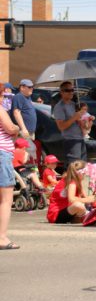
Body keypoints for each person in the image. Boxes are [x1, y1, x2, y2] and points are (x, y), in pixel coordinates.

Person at [46, 160, 96, 224]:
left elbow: (83, 196)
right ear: (80, 173)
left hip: (65, 211)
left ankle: (82, 217)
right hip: (56, 215)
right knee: (78, 205)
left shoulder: (76, 181)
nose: (85, 175)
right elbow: (72, 199)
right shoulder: (72, 182)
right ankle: (88, 217)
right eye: (85, 173)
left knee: (81, 205)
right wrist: (87, 199)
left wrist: (94, 199)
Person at [52, 81, 87, 167]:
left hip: (80, 138)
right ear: (61, 92)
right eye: (67, 90)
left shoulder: (73, 104)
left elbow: (78, 120)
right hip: (71, 140)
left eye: (72, 90)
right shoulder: (59, 107)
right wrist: (75, 117)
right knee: (74, 166)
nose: (71, 92)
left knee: (82, 166)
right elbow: (61, 126)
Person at [0, 104, 20, 249]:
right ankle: (1, 237)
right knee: (6, 199)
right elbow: (10, 128)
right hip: (2, 153)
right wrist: (17, 127)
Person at [11, 79, 37, 160]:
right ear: (22, 88)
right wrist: (23, 128)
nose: (32, 89)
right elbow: (16, 112)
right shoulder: (19, 97)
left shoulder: (28, 98)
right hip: (23, 132)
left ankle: (29, 170)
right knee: (30, 150)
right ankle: (28, 171)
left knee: (28, 153)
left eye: (32, 87)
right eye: (29, 87)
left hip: (29, 131)